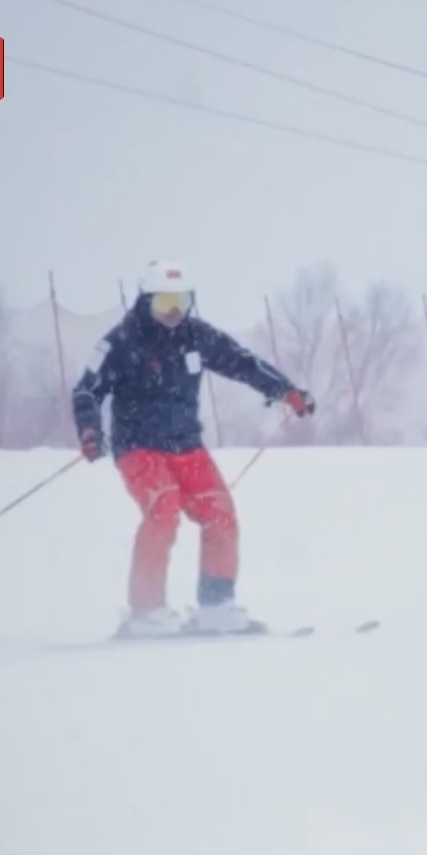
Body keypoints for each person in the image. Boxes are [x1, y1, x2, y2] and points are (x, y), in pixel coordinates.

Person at [72, 259, 316, 638]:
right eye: (164, 303)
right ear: (146, 301)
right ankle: (146, 612)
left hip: (186, 444)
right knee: (163, 507)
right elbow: (86, 389)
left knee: (220, 513)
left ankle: (217, 607)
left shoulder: (196, 336)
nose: (173, 313)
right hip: (139, 447)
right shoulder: (120, 342)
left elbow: (243, 363)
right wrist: (90, 431)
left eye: (181, 302)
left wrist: (285, 391)